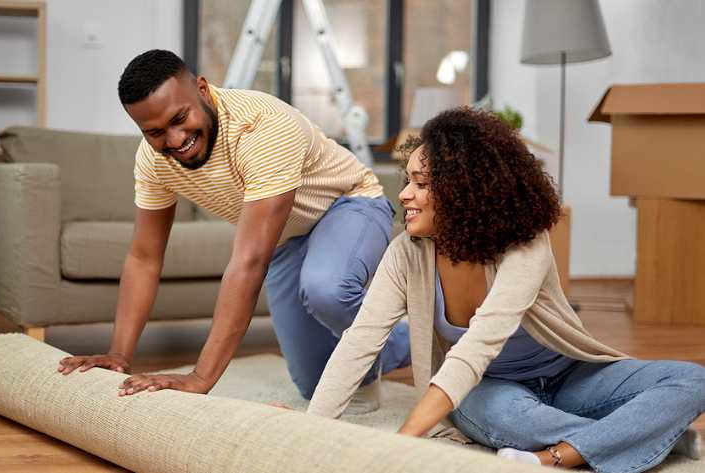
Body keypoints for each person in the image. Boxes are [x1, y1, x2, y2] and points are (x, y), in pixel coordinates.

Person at [307, 107, 705, 472]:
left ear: (464, 189)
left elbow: (483, 339)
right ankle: (649, 436)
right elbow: (361, 342)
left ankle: (553, 457)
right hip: (489, 389)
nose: (405, 194)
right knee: (504, 416)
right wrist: (310, 427)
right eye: (407, 180)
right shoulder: (405, 254)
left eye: (420, 183)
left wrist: (403, 442)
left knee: (691, 380)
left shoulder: (526, 245)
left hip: (570, 377)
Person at [57, 49, 410, 409]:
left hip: (349, 205)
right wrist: (120, 354)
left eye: (180, 118)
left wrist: (201, 377)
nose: (175, 140)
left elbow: (249, 260)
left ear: (203, 89)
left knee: (325, 288)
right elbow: (145, 257)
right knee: (313, 382)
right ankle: (378, 358)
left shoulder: (261, 126)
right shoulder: (153, 161)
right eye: (156, 132)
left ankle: (415, 340)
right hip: (288, 239)